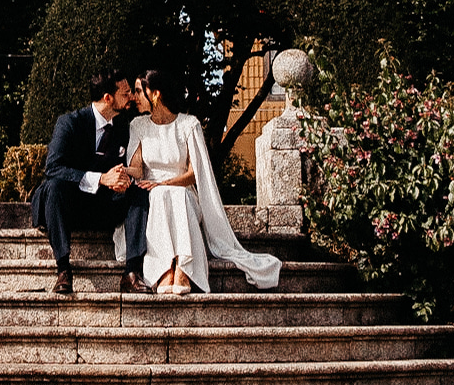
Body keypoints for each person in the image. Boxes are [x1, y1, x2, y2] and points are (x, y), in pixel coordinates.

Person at [120, 68, 283, 295]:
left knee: (175, 194)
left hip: (183, 191)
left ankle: (183, 269)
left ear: (155, 94)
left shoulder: (188, 124)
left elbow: (193, 174)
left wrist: (166, 183)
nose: (134, 97)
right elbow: (138, 169)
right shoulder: (138, 125)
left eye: (139, 91)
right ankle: (165, 269)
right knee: (159, 195)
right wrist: (121, 170)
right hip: (152, 194)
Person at [29, 68, 152, 294]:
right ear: (108, 98)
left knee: (139, 191)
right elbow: (53, 168)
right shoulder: (69, 123)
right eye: (125, 93)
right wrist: (101, 179)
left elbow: (127, 167)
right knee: (54, 186)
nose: (131, 98)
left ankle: (132, 272)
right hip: (68, 205)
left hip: (103, 206)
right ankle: (63, 270)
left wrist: (122, 179)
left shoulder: (124, 129)